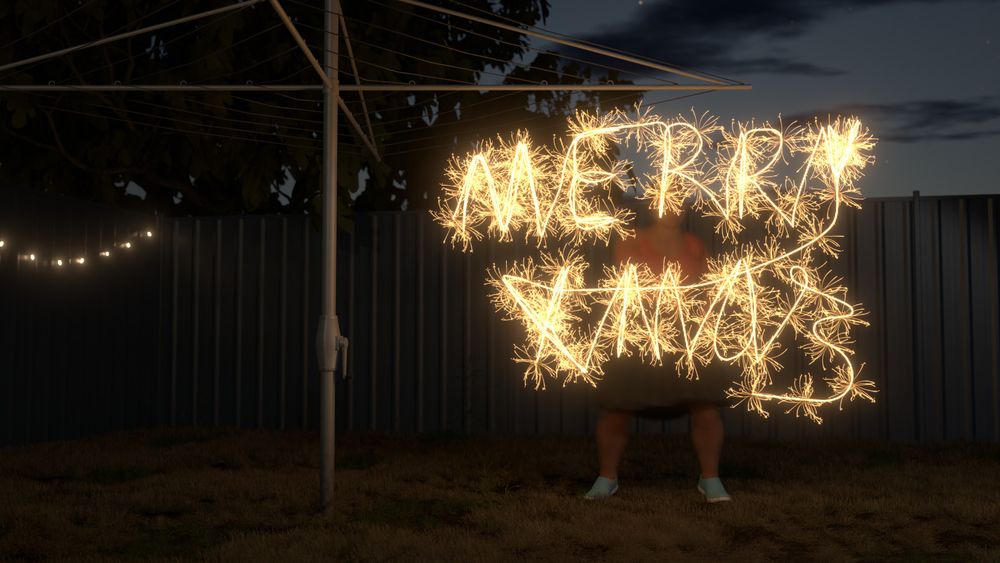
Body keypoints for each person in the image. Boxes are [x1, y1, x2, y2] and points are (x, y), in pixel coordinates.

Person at [584, 207, 732, 503]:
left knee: (706, 411)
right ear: (653, 203)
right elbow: (632, 285)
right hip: (641, 336)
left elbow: (706, 291)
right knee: (617, 410)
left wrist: (705, 321)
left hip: (686, 340)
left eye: (679, 200)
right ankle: (607, 478)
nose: (673, 208)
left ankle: (710, 480)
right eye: (667, 198)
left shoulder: (694, 244)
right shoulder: (631, 240)